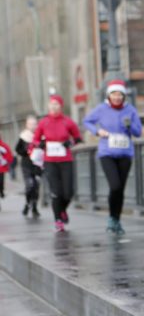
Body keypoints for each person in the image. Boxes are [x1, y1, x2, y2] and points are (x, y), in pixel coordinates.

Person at [82, 79, 143, 235]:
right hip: (107, 153)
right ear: (109, 95)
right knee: (114, 185)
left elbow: (138, 132)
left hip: (125, 153)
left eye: (120, 95)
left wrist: (130, 126)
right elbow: (86, 121)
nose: (117, 97)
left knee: (120, 189)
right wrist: (97, 131)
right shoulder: (101, 109)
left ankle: (116, 220)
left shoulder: (130, 110)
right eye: (114, 94)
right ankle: (111, 218)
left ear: (124, 96)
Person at [33, 95, 82, 232]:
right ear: (48, 106)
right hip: (50, 162)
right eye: (51, 104)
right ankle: (58, 220)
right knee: (56, 192)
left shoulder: (68, 122)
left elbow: (78, 138)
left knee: (68, 193)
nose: (54, 107)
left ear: (61, 106)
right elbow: (35, 140)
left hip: (66, 160)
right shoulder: (44, 122)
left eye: (56, 104)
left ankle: (62, 210)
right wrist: (41, 143)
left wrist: (70, 142)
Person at [15, 115, 42, 218]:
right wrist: (26, 152)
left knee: (36, 186)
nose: (33, 126)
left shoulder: (41, 136)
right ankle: (27, 204)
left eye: (34, 124)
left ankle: (34, 206)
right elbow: (17, 149)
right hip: (26, 164)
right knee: (30, 184)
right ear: (27, 125)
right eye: (30, 124)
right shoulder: (23, 136)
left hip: (38, 165)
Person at [0, 132, 11, 203]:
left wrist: (5, 160)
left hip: (1, 168)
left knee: (1, 182)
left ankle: (1, 190)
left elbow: (9, 156)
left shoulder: (4, 146)